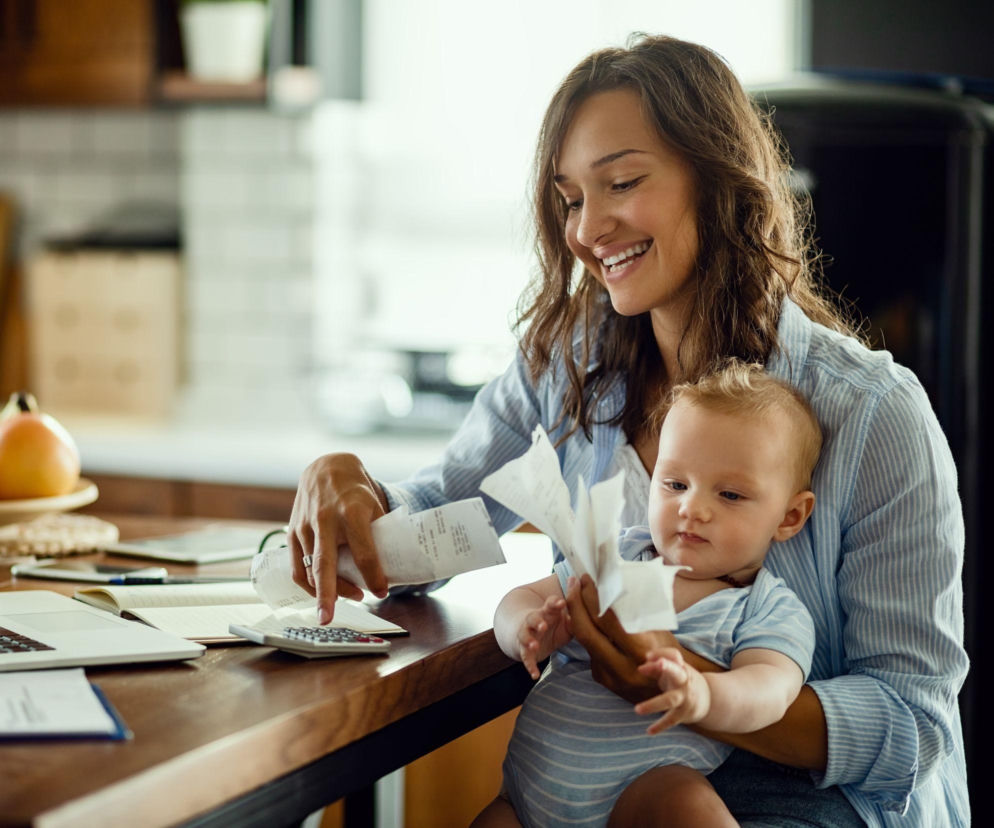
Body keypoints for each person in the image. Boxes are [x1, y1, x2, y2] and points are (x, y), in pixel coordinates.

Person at [288, 34, 969, 826]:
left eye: (621, 183)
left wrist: (693, 688)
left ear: (716, 179)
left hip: (810, 799)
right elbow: (442, 522)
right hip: (592, 780)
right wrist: (354, 494)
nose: (587, 229)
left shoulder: (873, 412)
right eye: (571, 198)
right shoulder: (566, 368)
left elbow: (912, 724)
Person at [483, 361, 822, 828]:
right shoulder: (619, 554)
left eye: (729, 495)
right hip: (526, 795)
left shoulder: (766, 608)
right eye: (676, 484)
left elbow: (771, 690)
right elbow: (518, 598)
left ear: (789, 517)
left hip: (641, 793)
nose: (691, 507)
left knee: (686, 805)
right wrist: (527, 626)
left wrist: (705, 694)